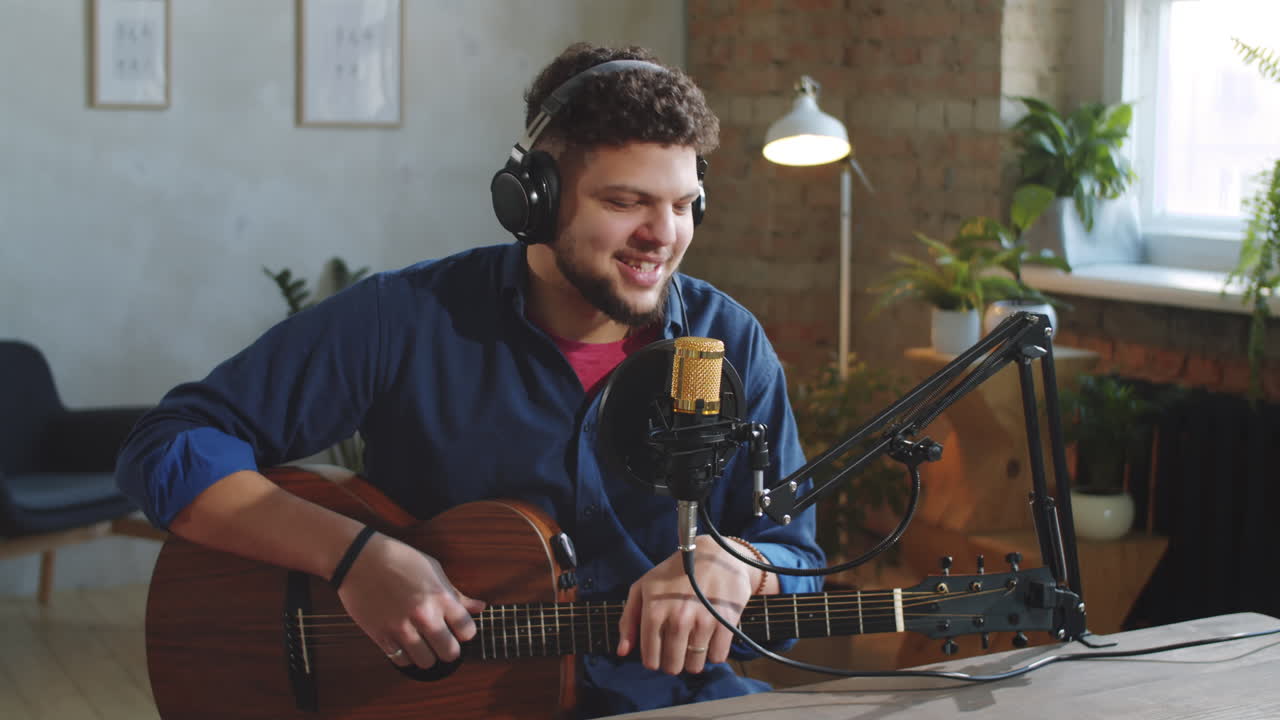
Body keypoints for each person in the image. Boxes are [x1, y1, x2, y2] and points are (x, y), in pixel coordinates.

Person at [116, 42, 823, 718]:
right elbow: (169, 447)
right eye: (624, 203)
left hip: (664, 702)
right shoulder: (408, 319)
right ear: (534, 199)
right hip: (424, 704)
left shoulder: (721, 344)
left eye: (680, 204)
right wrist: (354, 558)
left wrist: (744, 564)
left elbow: (798, 556)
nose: (662, 234)